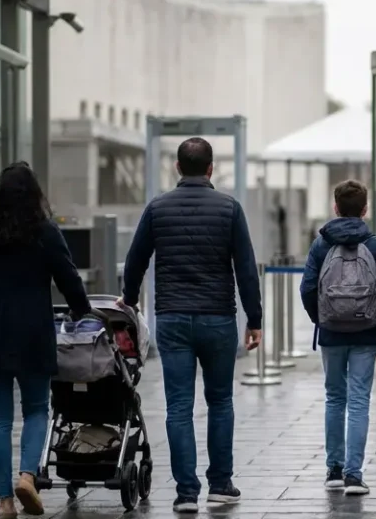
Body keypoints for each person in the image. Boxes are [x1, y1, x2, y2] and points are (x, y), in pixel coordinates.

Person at [121, 137, 262, 514]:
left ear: (178, 168)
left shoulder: (158, 208)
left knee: (179, 406)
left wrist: (130, 300)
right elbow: (246, 269)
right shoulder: (229, 209)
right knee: (220, 402)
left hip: (173, 319)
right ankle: (220, 484)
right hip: (218, 318)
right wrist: (256, 319)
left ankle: (186, 493)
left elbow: (136, 260)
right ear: (211, 168)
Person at [0, 162, 93, 519]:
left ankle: (5, 502)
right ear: (34, 195)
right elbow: (68, 277)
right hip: (31, 327)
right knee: (36, 409)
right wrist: (82, 310)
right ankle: (27, 476)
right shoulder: (44, 231)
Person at [300, 180, 376, 496]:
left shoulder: (321, 245)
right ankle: (355, 475)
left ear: (336, 207)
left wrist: (322, 318)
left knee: (334, 397)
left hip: (331, 332)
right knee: (358, 400)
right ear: (365, 209)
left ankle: (334, 470)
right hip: (366, 332)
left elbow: (307, 289)